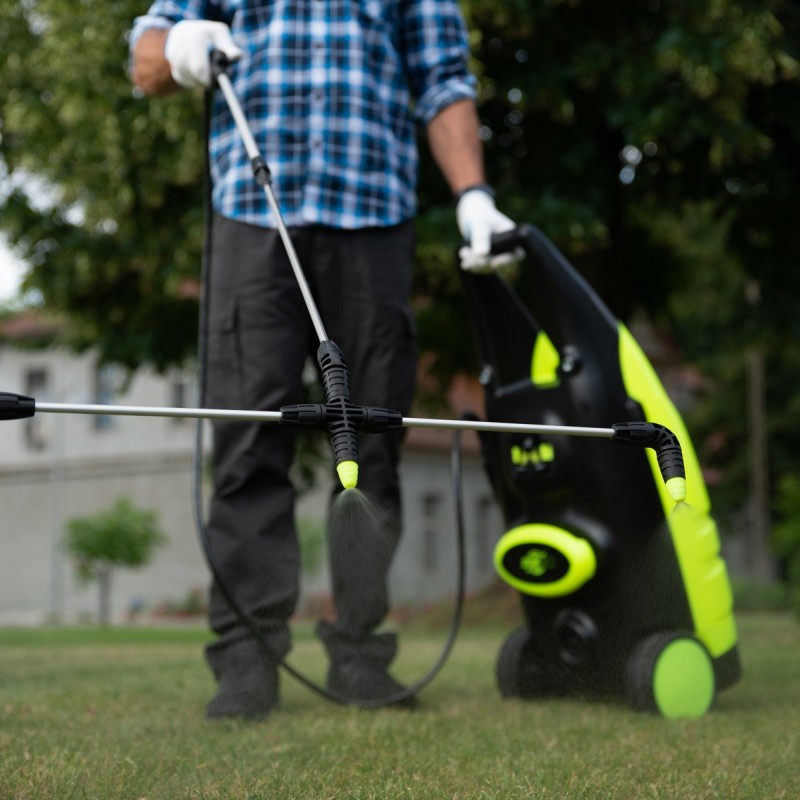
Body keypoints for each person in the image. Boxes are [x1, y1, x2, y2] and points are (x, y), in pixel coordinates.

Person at [130, 0, 517, 721]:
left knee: (374, 444)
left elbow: (442, 80)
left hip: (373, 217)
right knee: (247, 442)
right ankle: (247, 663)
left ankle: (361, 658)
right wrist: (177, 43)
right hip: (252, 214)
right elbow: (146, 61)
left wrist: (473, 195)